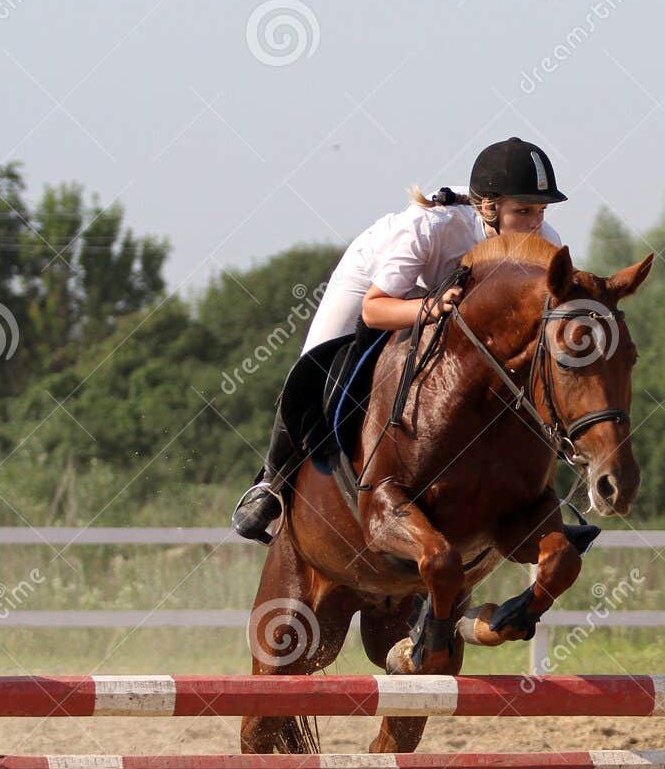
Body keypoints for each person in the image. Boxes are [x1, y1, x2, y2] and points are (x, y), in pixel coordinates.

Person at [231, 137, 568, 543]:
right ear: (488, 207)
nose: (535, 222)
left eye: (541, 210)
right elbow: (375, 310)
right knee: (314, 364)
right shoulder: (432, 227)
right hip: (374, 283)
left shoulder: (545, 242)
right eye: (524, 210)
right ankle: (272, 484)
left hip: (445, 300)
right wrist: (431, 308)